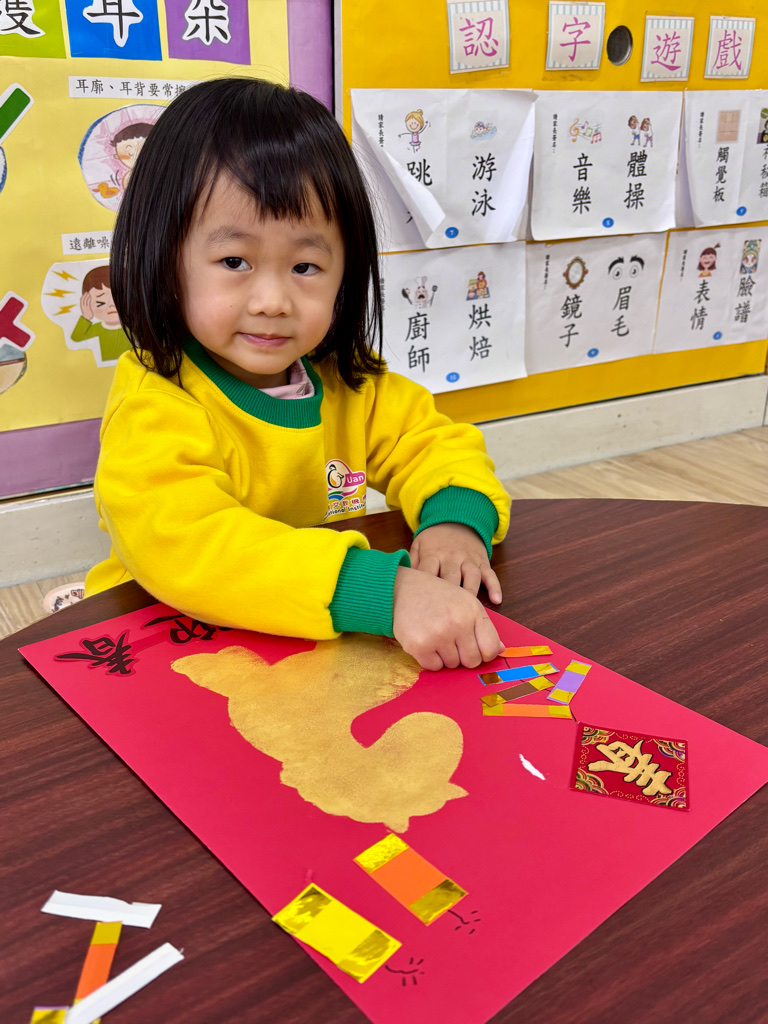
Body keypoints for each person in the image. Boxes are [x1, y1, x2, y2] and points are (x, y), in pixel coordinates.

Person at [86, 78, 511, 672]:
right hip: (165, 637)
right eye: (234, 261)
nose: (272, 301)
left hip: (306, 646)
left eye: (306, 266)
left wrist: (455, 521)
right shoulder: (155, 403)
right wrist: (382, 589)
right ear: (165, 258)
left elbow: (435, 444)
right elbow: (188, 548)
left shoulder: (347, 384)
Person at [70, 265, 131, 362]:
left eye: (118, 301)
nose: (111, 306)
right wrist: (86, 317)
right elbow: (76, 337)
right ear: (88, 304)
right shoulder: (97, 328)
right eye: (100, 303)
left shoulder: (132, 327)